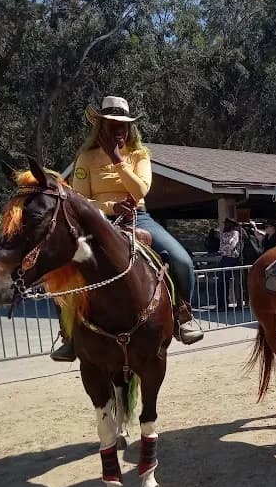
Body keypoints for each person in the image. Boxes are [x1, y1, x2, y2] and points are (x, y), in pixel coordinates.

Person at [51, 95, 203, 361]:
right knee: (63, 270)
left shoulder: (139, 155)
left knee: (182, 261)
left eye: (123, 125)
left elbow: (140, 189)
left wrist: (117, 159)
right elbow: (80, 199)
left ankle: (183, 315)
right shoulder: (85, 158)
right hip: (96, 223)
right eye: (112, 124)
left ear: (130, 127)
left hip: (138, 218)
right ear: (101, 126)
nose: (118, 130)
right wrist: (110, 206)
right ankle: (69, 334)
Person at [217, 217, 242, 309]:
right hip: (225, 256)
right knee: (221, 280)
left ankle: (223, 304)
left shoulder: (235, 232)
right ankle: (222, 303)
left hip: (231, 257)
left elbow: (234, 243)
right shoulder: (224, 233)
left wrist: (227, 247)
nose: (225, 225)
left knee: (224, 279)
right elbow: (221, 245)